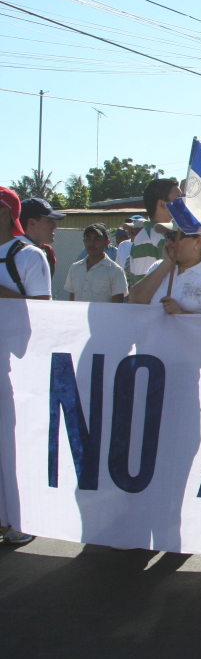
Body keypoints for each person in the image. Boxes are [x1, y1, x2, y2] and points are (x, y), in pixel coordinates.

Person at [0, 187, 46, 546]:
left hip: (16, 367)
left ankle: (22, 518)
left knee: (15, 445)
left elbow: (42, 312)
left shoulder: (29, 256)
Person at [129, 221, 201, 315]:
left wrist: (181, 313)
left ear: (198, 242)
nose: (169, 241)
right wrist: (166, 263)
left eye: (175, 236)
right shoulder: (158, 267)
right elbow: (135, 301)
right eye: (167, 236)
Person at [126, 178, 179, 286]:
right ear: (162, 204)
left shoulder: (165, 235)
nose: (183, 203)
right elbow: (144, 290)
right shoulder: (146, 242)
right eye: (178, 199)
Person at [65, 224, 127, 303]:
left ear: (106, 243)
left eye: (97, 239)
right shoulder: (75, 268)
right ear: (83, 241)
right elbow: (72, 301)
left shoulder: (115, 271)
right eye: (88, 239)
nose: (92, 243)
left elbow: (117, 306)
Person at [19, 197, 64, 275]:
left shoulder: (44, 251)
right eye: (49, 220)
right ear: (32, 223)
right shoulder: (20, 253)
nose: (54, 226)